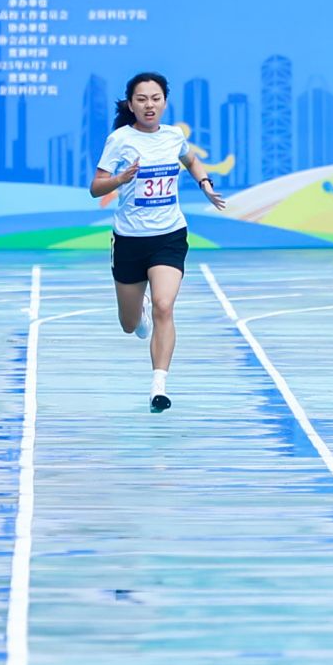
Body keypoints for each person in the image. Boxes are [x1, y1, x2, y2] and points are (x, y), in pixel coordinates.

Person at [93, 71, 227, 413]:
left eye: (155, 99)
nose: (149, 105)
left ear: (165, 102)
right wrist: (120, 178)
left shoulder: (173, 136)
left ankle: (158, 387)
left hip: (169, 235)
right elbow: (96, 187)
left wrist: (205, 185)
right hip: (129, 240)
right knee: (129, 324)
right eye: (141, 100)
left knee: (164, 306)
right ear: (131, 104)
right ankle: (138, 316)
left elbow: (191, 159)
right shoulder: (119, 140)